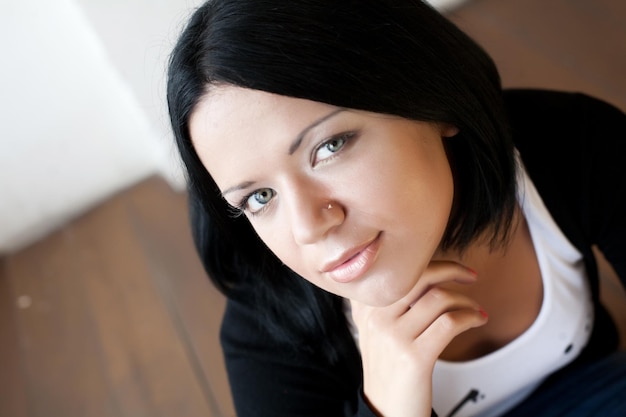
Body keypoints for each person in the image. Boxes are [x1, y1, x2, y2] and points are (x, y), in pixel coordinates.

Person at [166, 0, 626, 416]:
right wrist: (387, 403)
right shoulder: (266, 327)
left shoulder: (573, 143)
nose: (309, 227)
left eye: (330, 146)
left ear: (433, 99)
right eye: (259, 198)